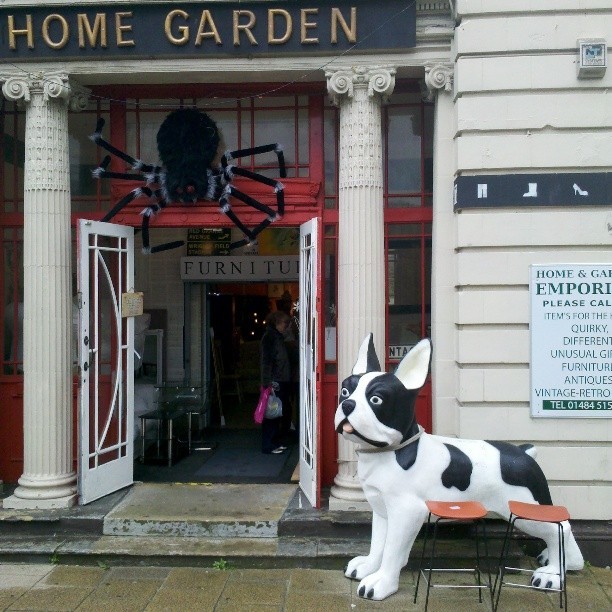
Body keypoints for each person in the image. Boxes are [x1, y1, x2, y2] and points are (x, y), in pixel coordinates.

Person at [260, 310, 293, 454]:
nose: (286, 326)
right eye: (285, 323)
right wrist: (267, 383)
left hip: (281, 380)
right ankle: (269, 444)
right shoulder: (270, 338)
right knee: (271, 413)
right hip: (275, 381)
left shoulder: (277, 337)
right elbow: (266, 362)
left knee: (278, 412)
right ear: (277, 322)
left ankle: (275, 441)